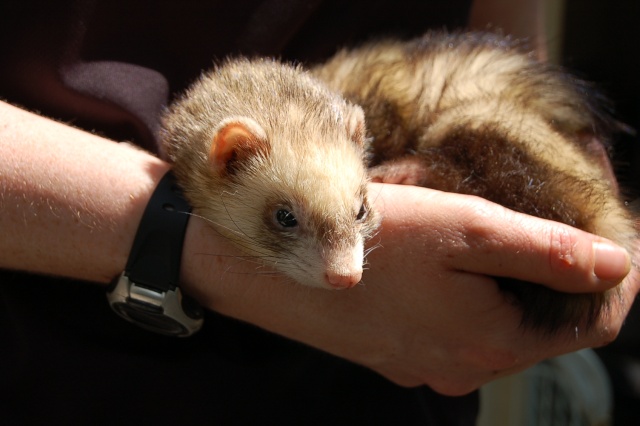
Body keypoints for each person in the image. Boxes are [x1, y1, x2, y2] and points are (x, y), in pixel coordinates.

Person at [1, 0, 637, 424]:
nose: (347, 272)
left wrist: (561, 129)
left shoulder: (335, 141)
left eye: (359, 215)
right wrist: (176, 242)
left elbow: (500, 33)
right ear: (230, 161)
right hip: (75, 368)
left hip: (397, 383)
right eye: (286, 221)